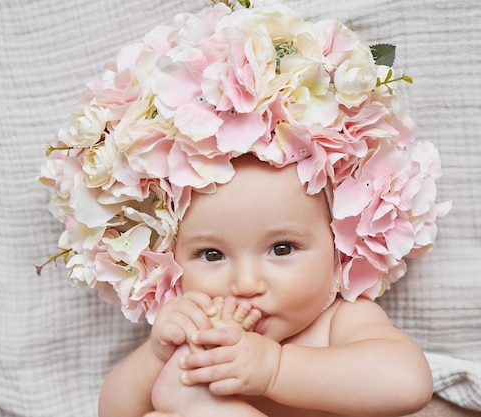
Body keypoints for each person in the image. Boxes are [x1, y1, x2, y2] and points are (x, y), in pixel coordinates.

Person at [38, 1, 449, 416]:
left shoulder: (341, 321)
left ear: (339, 247)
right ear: (167, 258)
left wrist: (274, 369)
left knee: (181, 398)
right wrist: (156, 356)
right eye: (211, 255)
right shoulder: (194, 329)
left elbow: (408, 384)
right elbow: (113, 412)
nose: (247, 283)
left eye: (283, 248)